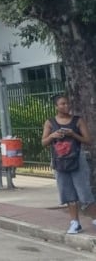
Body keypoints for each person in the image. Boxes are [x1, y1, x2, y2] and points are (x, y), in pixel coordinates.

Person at [41, 95, 96, 234]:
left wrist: (73, 134)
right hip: (60, 161)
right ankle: (75, 223)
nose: (66, 106)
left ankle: (95, 218)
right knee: (68, 193)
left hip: (77, 160)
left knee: (84, 192)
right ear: (56, 106)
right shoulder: (50, 122)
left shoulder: (78, 121)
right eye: (63, 104)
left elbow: (88, 140)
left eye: (68, 103)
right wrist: (52, 135)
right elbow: (44, 142)